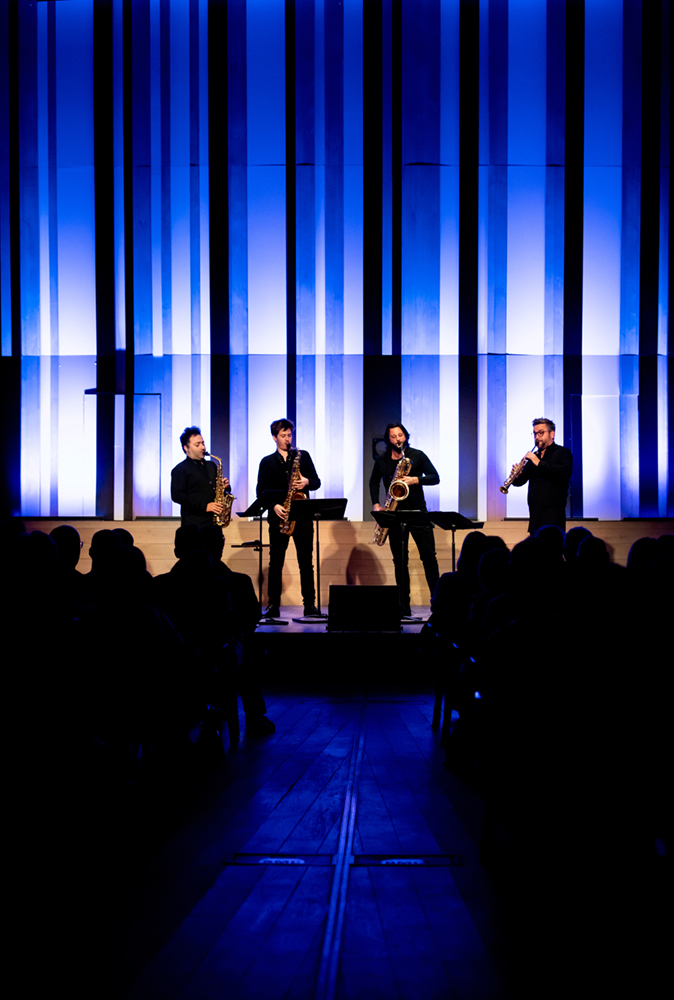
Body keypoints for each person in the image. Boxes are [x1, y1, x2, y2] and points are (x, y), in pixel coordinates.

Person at [369, 422, 440, 617]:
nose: (398, 439)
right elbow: (373, 480)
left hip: (418, 512)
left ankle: (438, 604)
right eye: (393, 436)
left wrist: (415, 479)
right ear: (388, 439)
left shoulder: (417, 455)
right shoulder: (383, 460)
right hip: (394, 513)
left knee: (429, 558)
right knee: (400, 561)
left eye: (400, 435)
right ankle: (403, 606)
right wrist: (376, 504)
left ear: (406, 436)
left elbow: (435, 477)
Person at [256, 418, 321, 618]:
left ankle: (309, 605)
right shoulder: (267, 462)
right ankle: (273, 605)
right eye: (283, 435)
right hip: (279, 517)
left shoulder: (303, 456)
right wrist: (273, 506)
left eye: (289, 435)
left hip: (302, 516)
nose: (287, 439)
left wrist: (306, 482)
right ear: (274, 437)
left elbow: (317, 482)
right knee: (276, 562)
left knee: (306, 563)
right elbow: (261, 491)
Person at [511, 417, 573, 534]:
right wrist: (517, 475)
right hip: (535, 517)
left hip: (553, 518)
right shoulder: (535, 456)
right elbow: (520, 482)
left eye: (541, 433)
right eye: (535, 434)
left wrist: (538, 463)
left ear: (552, 434)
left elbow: (564, 472)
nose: (537, 437)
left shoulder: (562, 453)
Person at [171, 426, 230, 527]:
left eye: (203, 443)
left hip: (214, 523)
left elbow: (217, 491)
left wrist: (225, 487)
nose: (202, 447)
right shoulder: (180, 469)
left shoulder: (211, 466)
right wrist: (204, 506)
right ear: (186, 448)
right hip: (194, 525)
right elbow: (177, 496)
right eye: (197, 445)